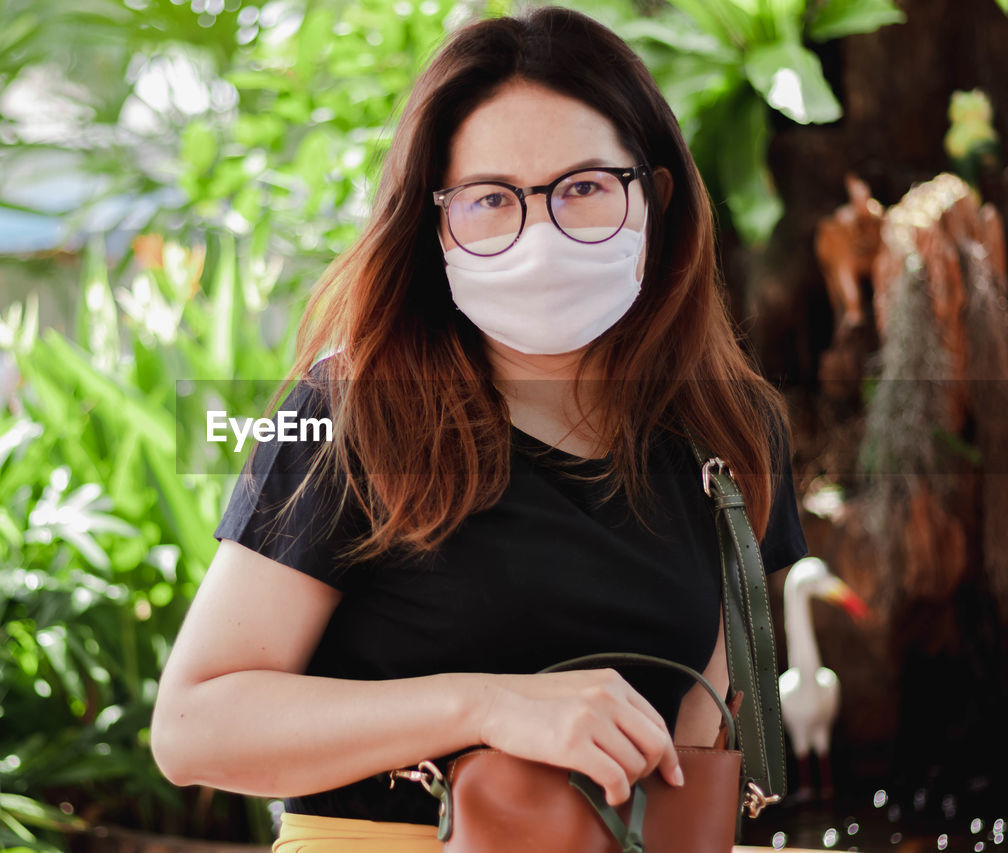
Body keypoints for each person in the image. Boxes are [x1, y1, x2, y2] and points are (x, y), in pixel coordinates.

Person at [150, 6, 809, 850]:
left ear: (656, 194)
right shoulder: (348, 416)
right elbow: (193, 727)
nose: (541, 234)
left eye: (583, 187)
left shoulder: (732, 430)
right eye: (491, 199)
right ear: (435, 225)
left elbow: (701, 735)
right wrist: (485, 703)